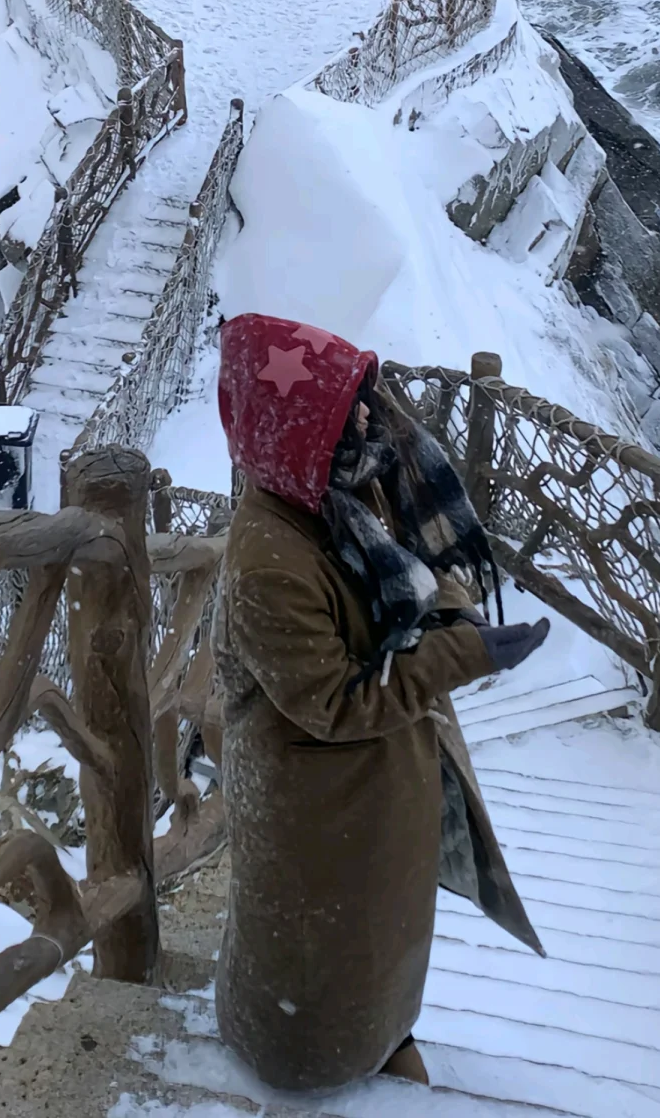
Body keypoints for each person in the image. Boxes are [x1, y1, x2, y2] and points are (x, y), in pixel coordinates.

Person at [212, 313, 549, 1093]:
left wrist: (454, 611)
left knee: (381, 930)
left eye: (361, 397)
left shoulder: (338, 489)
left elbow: (413, 572)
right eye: (346, 406)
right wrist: (467, 653)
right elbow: (332, 703)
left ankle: (380, 1031)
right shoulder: (270, 562)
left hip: (377, 783)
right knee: (318, 940)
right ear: (300, 433)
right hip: (319, 804)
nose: (370, 416)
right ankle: (297, 1054)